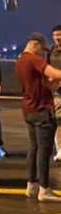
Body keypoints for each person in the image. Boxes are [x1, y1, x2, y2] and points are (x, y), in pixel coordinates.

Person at [15, 33, 61, 201]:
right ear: (35, 44)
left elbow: (37, 82)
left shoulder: (20, 61)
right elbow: (54, 72)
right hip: (41, 110)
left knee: (34, 148)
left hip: (29, 109)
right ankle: (45, 189)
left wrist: (50, 81)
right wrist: (56, 75)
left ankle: (31, 185)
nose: (43, 53)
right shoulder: (34, 59)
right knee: (44, 150)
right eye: (42, 49)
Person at [49, 25, 61, 162]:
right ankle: (60, 149)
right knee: (58, 120)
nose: (57, 38)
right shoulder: (51, 51)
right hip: (56, 93)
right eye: (55, 35)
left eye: (59, 35)